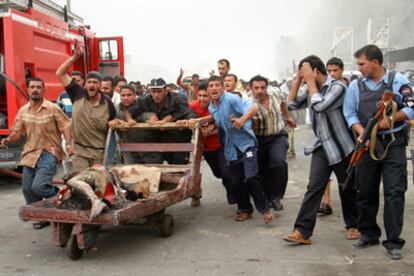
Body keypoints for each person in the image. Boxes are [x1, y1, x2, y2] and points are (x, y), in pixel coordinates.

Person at [343, 44, 414, 260]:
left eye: (362, 64)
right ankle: (368, 233)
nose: (359, 68)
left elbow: (410, 107)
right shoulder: (356, 86)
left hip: (394, 143)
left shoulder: (399, 81)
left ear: (375, 62)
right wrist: (363, 134)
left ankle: (393, 241)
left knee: (394, 192)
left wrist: (391, 119)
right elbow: (350, 113)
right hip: (367, 145)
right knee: (365, 190)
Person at [283, 55, 358, 245]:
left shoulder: (338, 87)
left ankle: (353, 226)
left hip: (342, 147)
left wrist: (309, 82)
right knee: (314, 187)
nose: (304, 76)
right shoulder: (310, 87)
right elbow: (290, 104)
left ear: (316, 72)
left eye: (306, 72)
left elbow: (320, 105)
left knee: (347, 187)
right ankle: (301, 231)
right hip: (322, 146)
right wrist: (299, 80)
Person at [0, 77, 72, 229]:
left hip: (49, 152)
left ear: (43, 90)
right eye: (32, 87)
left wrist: (69, 144)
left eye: (39, 87)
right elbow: (18, 132)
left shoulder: (52, 108)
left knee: (39, 187)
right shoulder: (23, 111)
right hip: (30, 153)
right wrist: (8, 140)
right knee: (27, 189)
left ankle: (62, 200)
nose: (35, 90)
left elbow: (65, 125)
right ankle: (42, 216)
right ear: (28, 90)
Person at [207, 75, 273, 224]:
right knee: (236, 180)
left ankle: (265, 209)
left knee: (250, 176)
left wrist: (241, 120)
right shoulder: (211, 106)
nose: (214, 88)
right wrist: (203, 122)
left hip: (246, 144)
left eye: (217, 85)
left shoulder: (231, 99)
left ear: (223, 87)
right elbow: (218, 120)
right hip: (231, 148)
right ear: (208, 89)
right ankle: (244, 209)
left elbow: (254, 107)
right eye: (211, 86)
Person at [56, 41, 116, 172]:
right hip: (80, 152)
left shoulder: (107, 103)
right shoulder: (77, 93)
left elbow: (112, 124)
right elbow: (60, 73)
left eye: (95, 82)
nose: (92, 85)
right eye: (89, 82)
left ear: (100, 85)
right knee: (82, 183)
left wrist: (114, 122)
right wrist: (75, 57)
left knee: (98, 185)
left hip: (99, 154)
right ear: (85, 84)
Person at [176, 82, 236, 207]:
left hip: (220, 145)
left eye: (205, 96)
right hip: (204, 148)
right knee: (218, 173)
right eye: (200, 95)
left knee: (226, 173)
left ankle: (233, 195)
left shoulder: (217, 106)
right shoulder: (192, 106)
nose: (202, 99)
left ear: (211, 96)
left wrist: (213, 127)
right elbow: (184, 119)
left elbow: (222, 120)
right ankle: (196, 194)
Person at [249, 75, 296, 211]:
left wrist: (287, 116)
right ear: (251, 89)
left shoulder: (275, 93)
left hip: (277, 136)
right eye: (256, 88)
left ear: (267, 87)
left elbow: (283, 103)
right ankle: (267, 198)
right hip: (259, 139)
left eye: (262, 87)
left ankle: (277, 197)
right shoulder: (248, 103)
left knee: (278, 162)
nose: (259, 91)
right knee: (262, 169)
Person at [128, 78, 197, 164]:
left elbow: (188, 113)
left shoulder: (177, 99)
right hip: (157, 141)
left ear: (166, 91)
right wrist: (133, 118)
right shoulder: (146, 100)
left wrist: (172, 118)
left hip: (178, 140)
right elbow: (131, 111)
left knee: (178, 169)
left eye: (159, 91)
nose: (156, 95)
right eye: (153, 92)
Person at [318, 57, 348, 216]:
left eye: (335, 70)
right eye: (329, 71)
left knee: (346, 180)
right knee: (322, 176)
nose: (332, 74)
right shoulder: (325, 88)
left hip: (345, 138)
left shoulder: (345, 87)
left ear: (342, 70)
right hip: (326, 138)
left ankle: (353, 221)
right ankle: (326, 201)